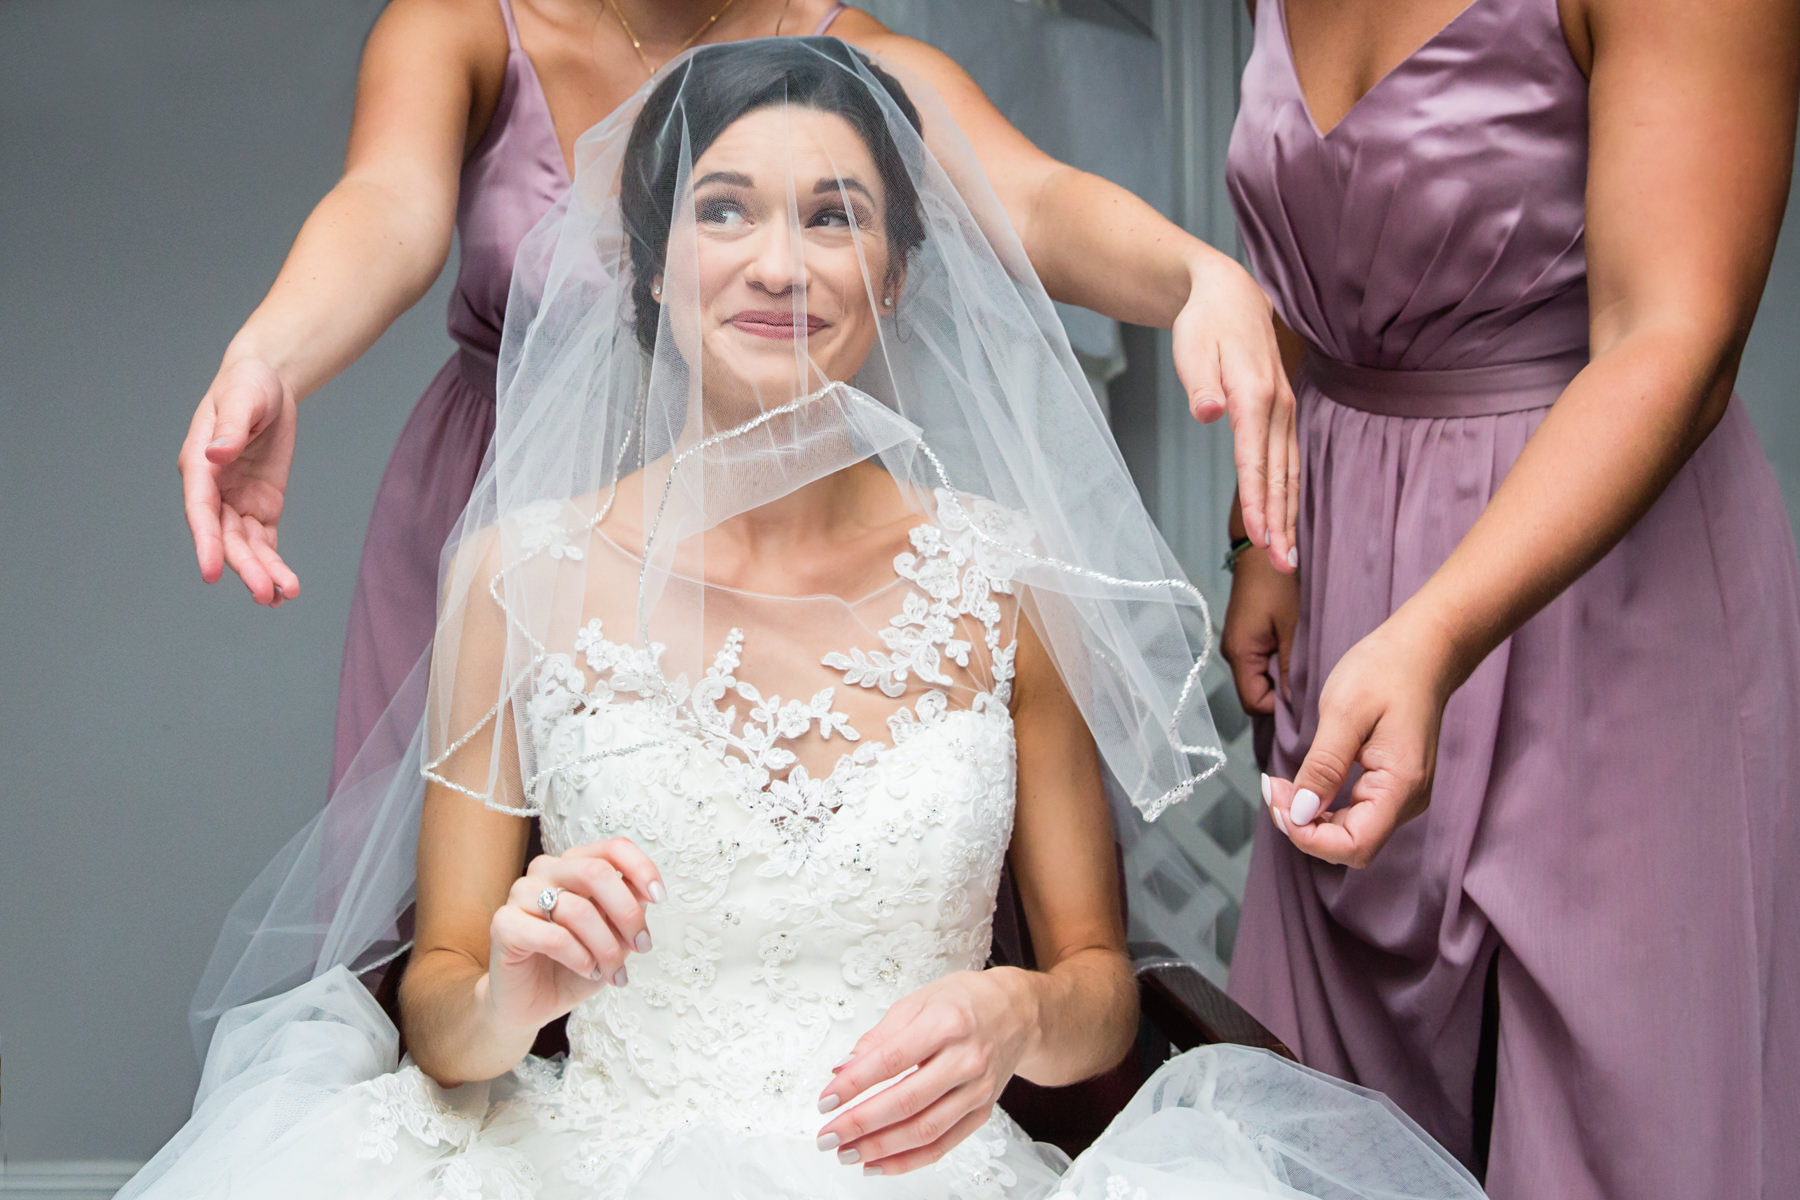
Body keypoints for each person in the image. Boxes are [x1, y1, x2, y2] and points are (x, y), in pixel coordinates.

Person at [127, 41, 1482, 1200]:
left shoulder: (1007, 584)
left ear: (894, 276)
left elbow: (1096, 986)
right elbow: (441, 1006)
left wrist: (1020, 1014)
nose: (781, 263)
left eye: (834, 216)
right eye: (724, 211)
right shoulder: (512, 574)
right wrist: (513, 996)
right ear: (648, 267)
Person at [173, 0, 1300, 797]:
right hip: (495, 517)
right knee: (462, 947)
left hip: (784, 540)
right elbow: (391, 203)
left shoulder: (848, 51)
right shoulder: (466, 23)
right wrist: (272, 350)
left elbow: (1034, 204)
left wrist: (1197, 275)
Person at [1220, 0, 1800, 1195]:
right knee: (1318, 1123)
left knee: (1625, 1128)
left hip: (1599, 589)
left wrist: (1435, 633)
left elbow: (1674, 331)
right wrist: (1264, 537)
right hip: (1350, 589)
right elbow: (1321, 240)